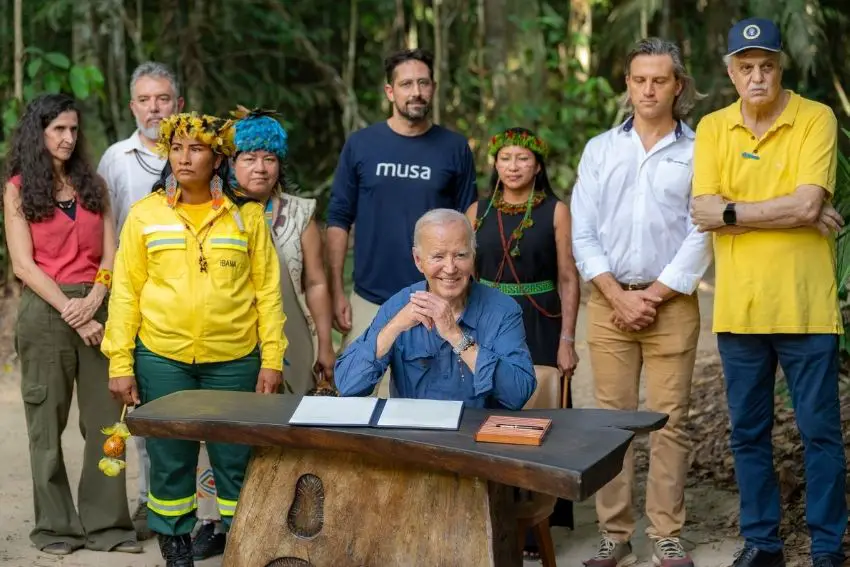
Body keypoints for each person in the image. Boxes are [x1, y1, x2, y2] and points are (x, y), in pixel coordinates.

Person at [691, 18, 846, 567]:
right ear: (730, 73)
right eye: (746, 67)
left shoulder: (815, 118)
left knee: (820, 434)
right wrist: (791, 210)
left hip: (806, 307)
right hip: (741, 309)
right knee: (748, 434)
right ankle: (763, 544)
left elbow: (808, 203)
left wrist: (736, 211)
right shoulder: (712, 128)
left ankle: (827, 548)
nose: (758, 76)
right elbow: (703, 211)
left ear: (781, 67)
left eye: (767, 65)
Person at [101, 112, 287, 567]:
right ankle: (176, 551)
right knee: (169, 459)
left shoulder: (246, 217)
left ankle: (242, 548)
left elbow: (267, 292)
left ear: (218, 156)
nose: (185, 158)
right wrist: (120, 362)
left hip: (236, 359)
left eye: (197, 148)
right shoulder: (145, 215)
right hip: (163, 357)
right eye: (178, 148)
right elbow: (125, 292)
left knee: (236, 459)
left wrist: (273, 358)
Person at [571, 38, 712, 567]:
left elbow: (702, 231)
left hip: (670, 302)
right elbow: (584, 233)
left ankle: (666, 534)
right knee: (612, 421)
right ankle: (615, 532)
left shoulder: (700, 150)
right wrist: (615, 295)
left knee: (670, 419)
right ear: (627, 84)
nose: (648, 89)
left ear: (679, 86)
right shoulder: (600, 149)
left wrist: (653, 295)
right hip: (609, 302)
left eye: (659, 80)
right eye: (638, 79)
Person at [3, 94, 140, 556]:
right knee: (46, 422)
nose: (67, 138)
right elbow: (23, 265)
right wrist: (72, 311)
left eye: (73, 130)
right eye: (58, 129)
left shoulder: (94, 184)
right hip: (46, 311)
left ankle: (108, 526)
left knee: (106, 421)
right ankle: (56, 527)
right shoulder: (18, 188)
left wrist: (98, 296)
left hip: (99, 306)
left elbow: (110, 252)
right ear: (37, 133)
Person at [326, 48, 478, 397]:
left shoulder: (453, 147)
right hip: (370, 297)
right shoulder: (361, 145)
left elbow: (469, 220)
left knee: (431, 403)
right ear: (390, 92)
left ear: (434, 88)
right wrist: (337, 290)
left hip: (436, 297)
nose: (416, 92)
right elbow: (338, 219)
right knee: (357, 397)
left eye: (423, 83)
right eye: (406, 83)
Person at [467, 126, 580, 560]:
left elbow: (568, 276)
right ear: (494, 163)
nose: (514, 166)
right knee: (491, 409)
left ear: (538, 165)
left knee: (540, 412)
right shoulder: (477, 209)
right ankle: (493, 509)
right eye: (506, 158)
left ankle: (539, 523)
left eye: (523, 159)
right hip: (488, 320)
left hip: (541, 320)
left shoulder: (555, 211)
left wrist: (568, 338)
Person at [96, 60, 183, 541]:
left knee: (185, 407)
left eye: (163, 98)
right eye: (145, 99)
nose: (154, 108)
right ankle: (151, 505)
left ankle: (191, 508)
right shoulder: (115, 159)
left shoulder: (200, 153)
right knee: (139, 405)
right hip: (134, 298)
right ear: (132, 106)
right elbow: (102, 233)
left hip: (186, 299)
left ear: (179, 105)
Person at [335, 208, 536, 408]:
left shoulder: (503, 310)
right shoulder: (399, 305)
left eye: (460, 255)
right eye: (438, 257)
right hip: (412, 433)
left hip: (478, 435)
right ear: (418, 260)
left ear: (473, 256)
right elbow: (348, 385)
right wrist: (394, 327)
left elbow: (518, 394)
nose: (450, 268)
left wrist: (456, 336)